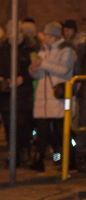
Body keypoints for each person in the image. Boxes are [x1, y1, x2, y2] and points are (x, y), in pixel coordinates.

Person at [31, 21, 76, 171]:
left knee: (61, 130)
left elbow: (64, 69)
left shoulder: (66, 50)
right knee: (43, 130)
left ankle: (70, 158)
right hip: (43, 97)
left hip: (58, 96)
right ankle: (39, 160)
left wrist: (43, 64)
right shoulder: (43, 51)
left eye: (50, 36)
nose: (47, 39)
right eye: (46, 36)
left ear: (57, 37)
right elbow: (39, 74)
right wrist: (33, 69)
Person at [0, 22, 35, 167]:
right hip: (5, 95)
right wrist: (0, 80)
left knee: (22, 125)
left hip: (23, 94)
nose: (14, 36)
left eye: (18, 33)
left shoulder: (29, 50)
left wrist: (23, 79)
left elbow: (35, 70)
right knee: (9, 126)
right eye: (11, 33)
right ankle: (13, 154)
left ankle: (24, 150)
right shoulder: (0, 51)